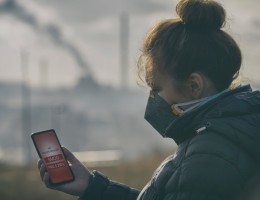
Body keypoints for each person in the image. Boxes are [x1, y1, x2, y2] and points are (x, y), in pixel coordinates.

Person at [37, 0, 260, 199]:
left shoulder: (208, 156)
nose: (153, 99)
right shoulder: (226, 137)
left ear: (194, 86)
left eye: (157, 88)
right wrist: (92, 188)